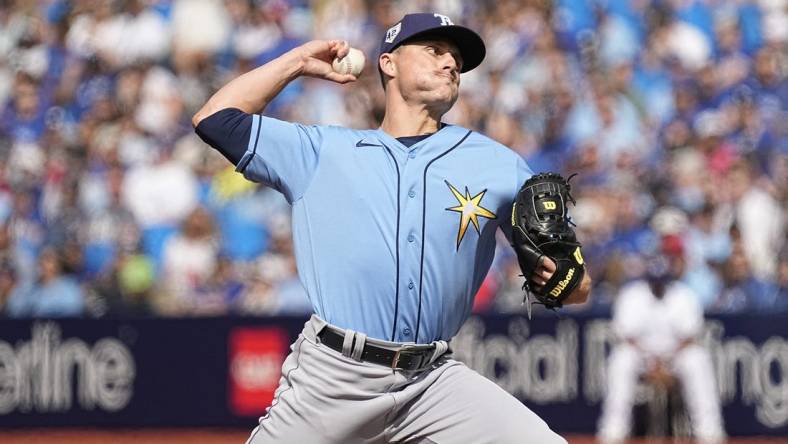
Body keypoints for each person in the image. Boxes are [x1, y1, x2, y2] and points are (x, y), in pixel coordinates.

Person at [193, 13, 591, 444]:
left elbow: (575, 282)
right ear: (388, 63)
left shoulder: (498, 165)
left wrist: (564, 279)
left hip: (432, 384)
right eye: (434, 51)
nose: (450, 64)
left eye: (456, 58)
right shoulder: (323, 151)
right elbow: (214, 119)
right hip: (333, 378)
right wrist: (297, 62)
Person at [597, 235, 725, 444]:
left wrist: (664, 365)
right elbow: (626, 338)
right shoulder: (632, 294)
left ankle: (709, 432)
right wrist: (651, 365)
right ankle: (613, 431)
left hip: (675, 357)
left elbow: (690, 337)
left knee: (697, 359)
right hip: (641, 357)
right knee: (621, 359)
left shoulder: (683, 295)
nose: (658, 285)